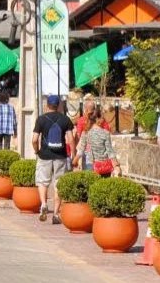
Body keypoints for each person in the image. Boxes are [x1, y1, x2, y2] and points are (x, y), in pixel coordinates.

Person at [33, 95, 74, 224]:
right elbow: (71, 139)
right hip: (60, 156)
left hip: (44, 155)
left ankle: (44, 204)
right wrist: (73, 153)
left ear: (47, 105)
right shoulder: (65, 120)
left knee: (42, 181)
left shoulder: (41, 119)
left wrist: (37, 151)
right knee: (58, 184)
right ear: (59, 106)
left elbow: (34, 139)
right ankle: (56, 214)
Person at [76, 109, 120, 178]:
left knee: (91, 187)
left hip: (90, 164)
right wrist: (116, 165)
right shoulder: (105, 133)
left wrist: (75, 160)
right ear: (97, 119)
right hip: (104, 165)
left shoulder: (85, 133)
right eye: (102, 117)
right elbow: (110, 151)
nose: (104, 119)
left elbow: (81, 149)